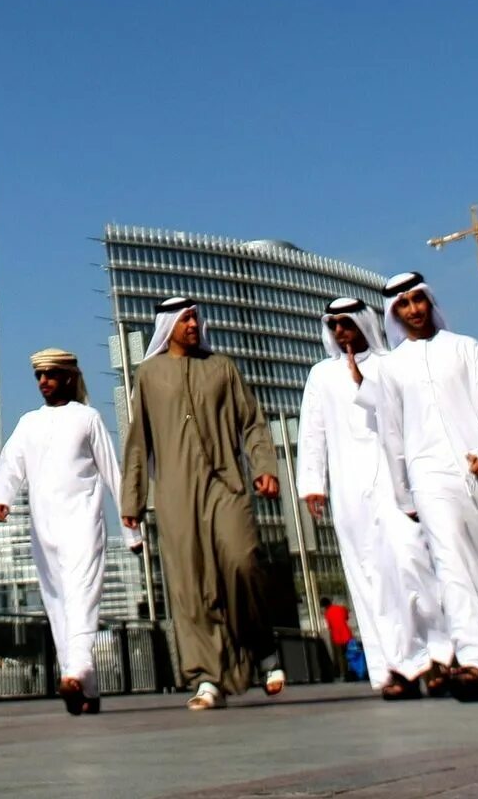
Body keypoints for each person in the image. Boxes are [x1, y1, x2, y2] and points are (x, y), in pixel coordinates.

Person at [355, 272, 478, 701]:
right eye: (403, 305)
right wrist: (405, 493)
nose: (414, 311)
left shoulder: (465, 349)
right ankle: (475, 664)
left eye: (418, 300)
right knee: (454, 567)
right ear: (393, 314)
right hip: (430, 479)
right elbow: (392, 434)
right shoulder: (389, 369)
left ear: (429, 301)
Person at [120, 296, 284, 711]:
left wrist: (264, 465)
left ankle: (261, 644)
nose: (193, 324)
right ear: (168, 325)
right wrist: (132, 499)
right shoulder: (150, 374)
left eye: (195, 317)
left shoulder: (222, 367)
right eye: (185, 318)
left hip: (226, 482)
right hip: (175, 492)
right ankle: (206, 676)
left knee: (243, 562)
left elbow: (252, 421)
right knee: (190, 584)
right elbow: (140, 441)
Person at [298, 297, 453, 701]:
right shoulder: (321, 375)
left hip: (395, 482)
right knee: (371, 578)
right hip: (350, 492)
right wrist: (313, 482)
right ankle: (396, 667)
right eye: (334, 326)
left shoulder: (391, 366)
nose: (340, 333)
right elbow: (312, 432)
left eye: (347, 324)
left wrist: (362, 383)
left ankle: (439, 656)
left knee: (412, 563)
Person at [0, 346, 139, 716]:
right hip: (44, 529)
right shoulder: (28, 423)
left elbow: (113, 474)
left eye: (51, 375)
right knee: (57, 604)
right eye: (40, 376)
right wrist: (0, 497)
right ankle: (86, 689)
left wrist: (132, 530)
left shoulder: (88, 418)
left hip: (83, 523)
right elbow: (10, 464)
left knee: (81, 597)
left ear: (69, 378)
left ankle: (75, 670)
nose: (44, 382)